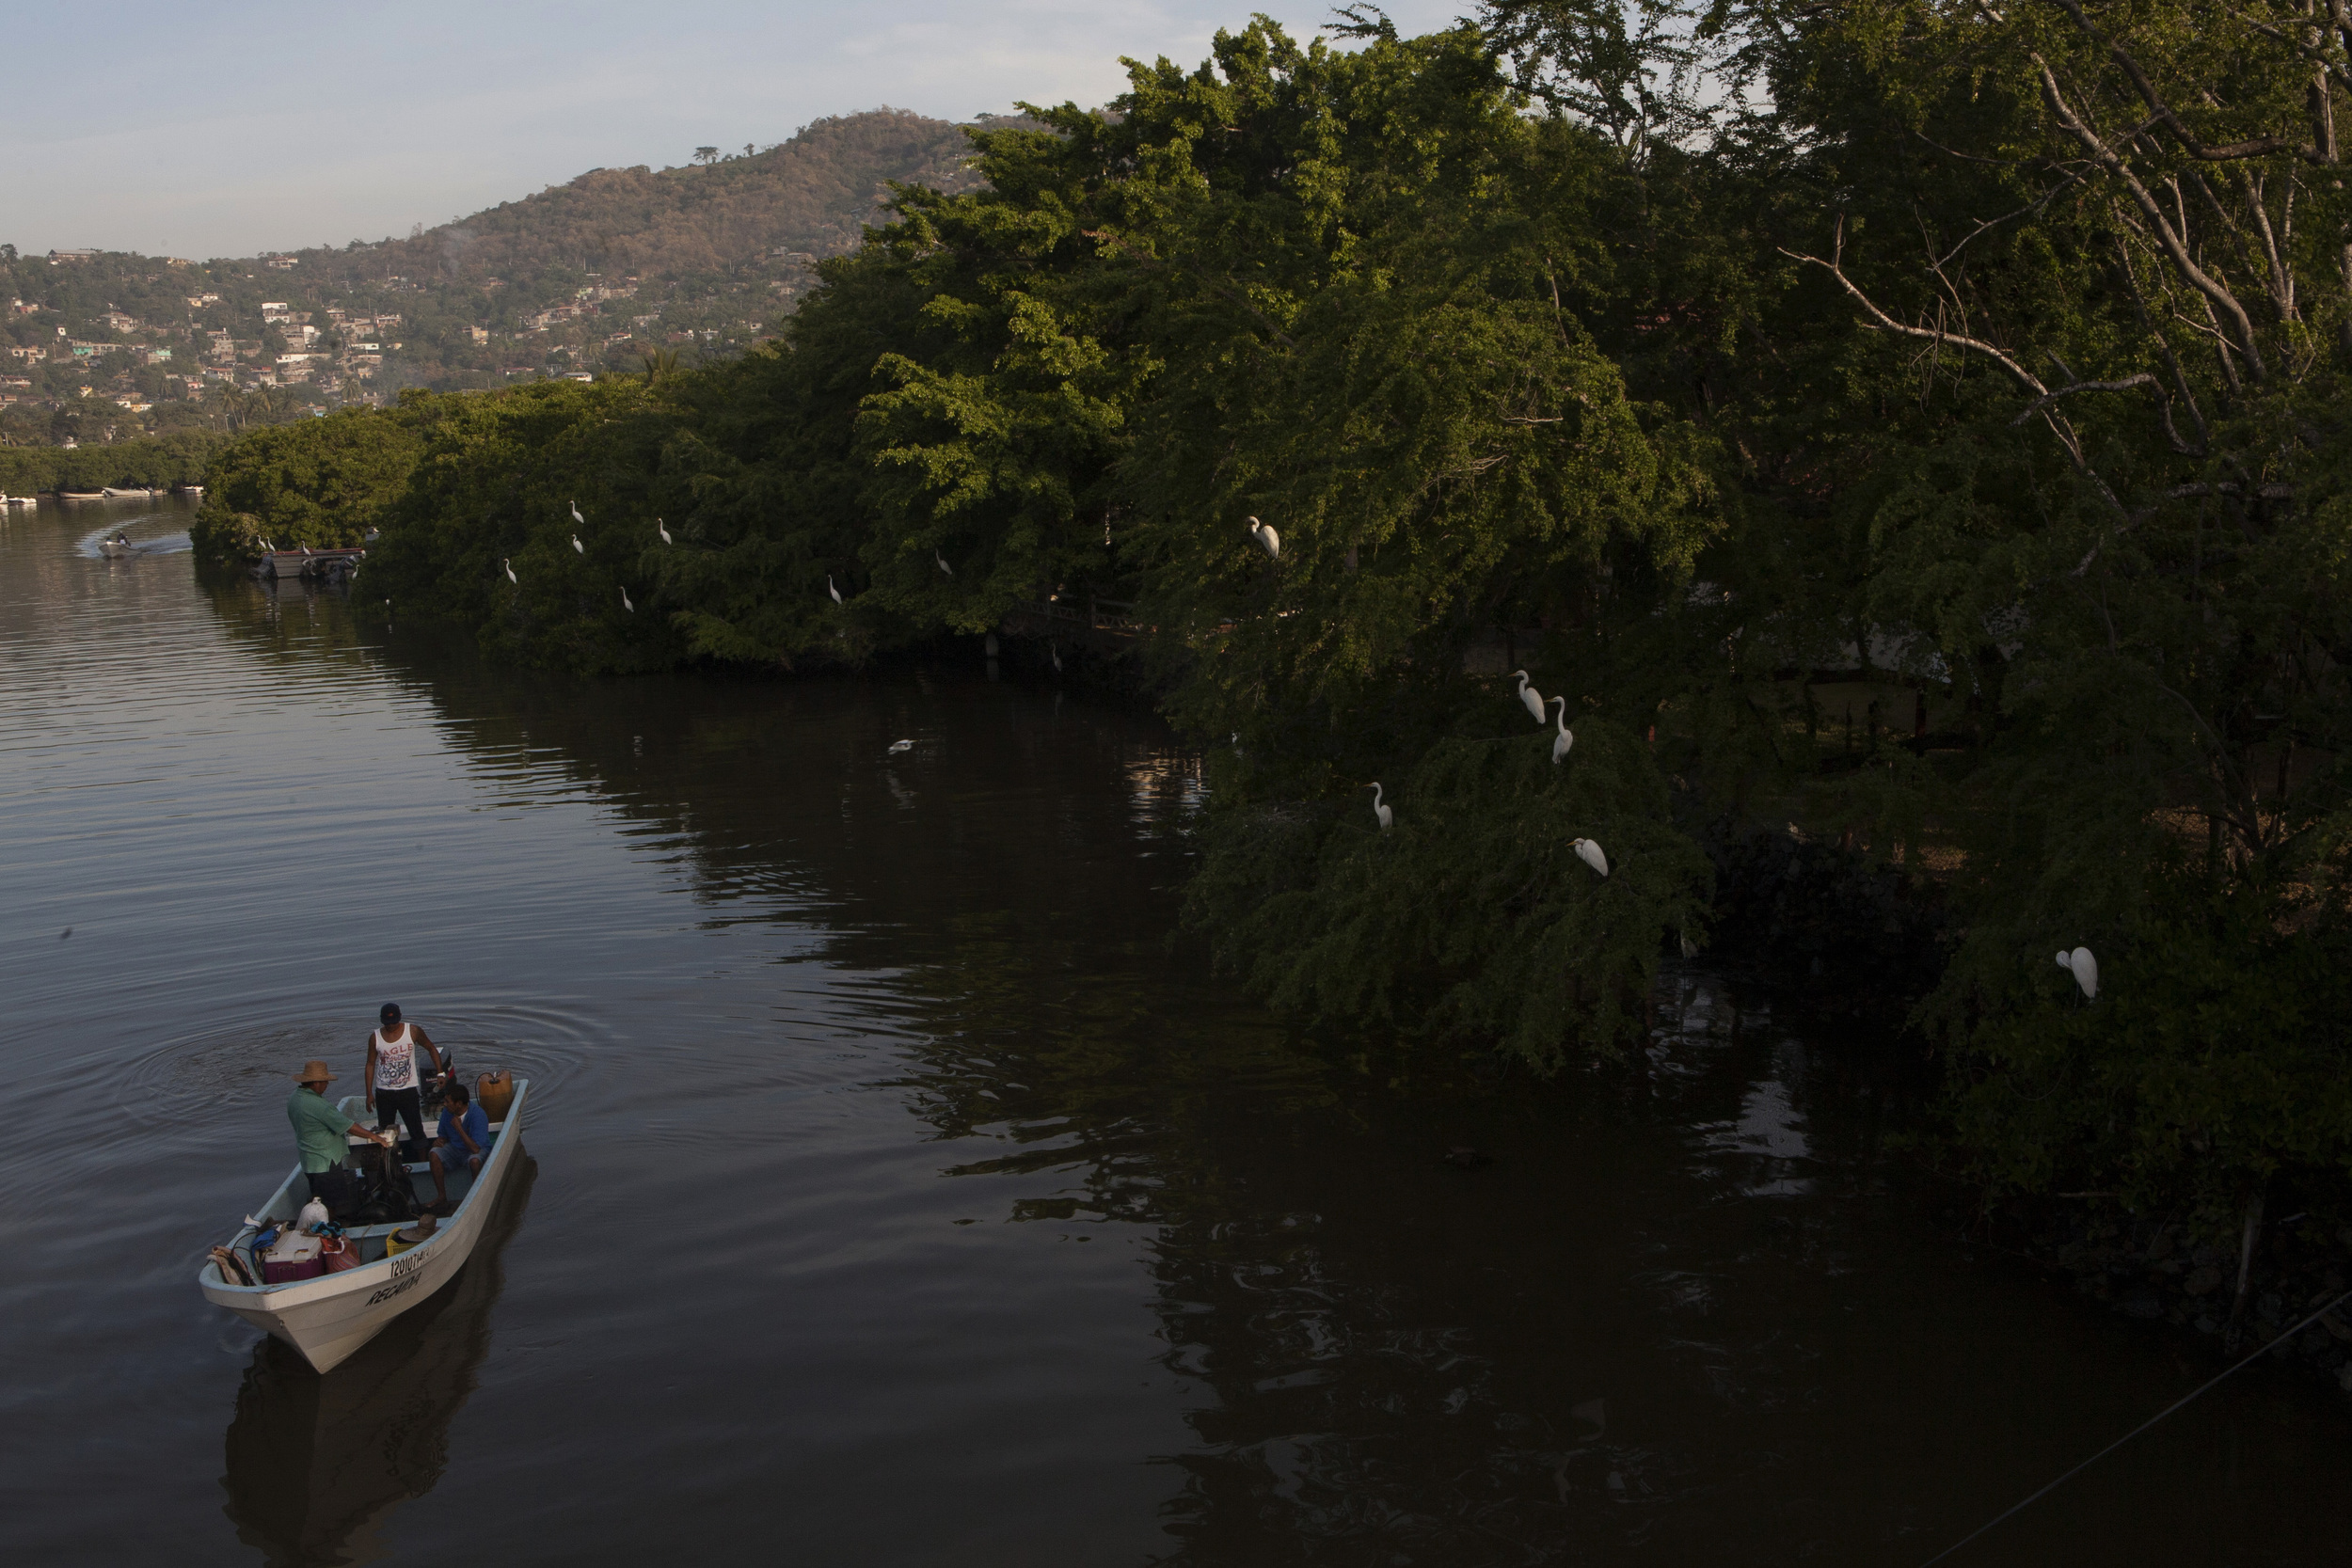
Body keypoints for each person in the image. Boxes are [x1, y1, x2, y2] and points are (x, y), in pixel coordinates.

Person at [287, 1059, 393, 1211]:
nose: (327, 1085)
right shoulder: (320, 1106)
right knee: (336, 1205)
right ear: (316, 1082)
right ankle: (336, 1227)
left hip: (308, 1161)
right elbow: (348, 1126)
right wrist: (375, 1137)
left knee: (319, 1201)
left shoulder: (294, 1098)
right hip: (325, 1162)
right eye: (325, 1082)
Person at [365, 1003, 444, 1160]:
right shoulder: (375, 1037)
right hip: (384, 1093)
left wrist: (440, 1073)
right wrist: (368, 1093)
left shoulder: (413, 1031)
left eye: (394, 1022)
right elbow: (370, 1064)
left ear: (399, 1018)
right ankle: (389, 1164)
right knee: (385, 1132)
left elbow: (431, 1048)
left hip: (408, 1091)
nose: (391, 1026)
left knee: (416, 1130)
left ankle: (423, 1162)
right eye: (387, 1023)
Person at [427, 1080, 491, 1207]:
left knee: (474, 1161)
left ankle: (476, 1197)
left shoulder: (478, 1115)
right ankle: (442, 1196)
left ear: (459, 1104)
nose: (445, 1105)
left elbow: (475, 1149)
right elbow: (443, 1135)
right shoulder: (447, 1113)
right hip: (456, 1149)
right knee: (434, 1154)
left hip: (476, 1149)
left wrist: (459, 1128)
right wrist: (439, 1141)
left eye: (448, 1102)